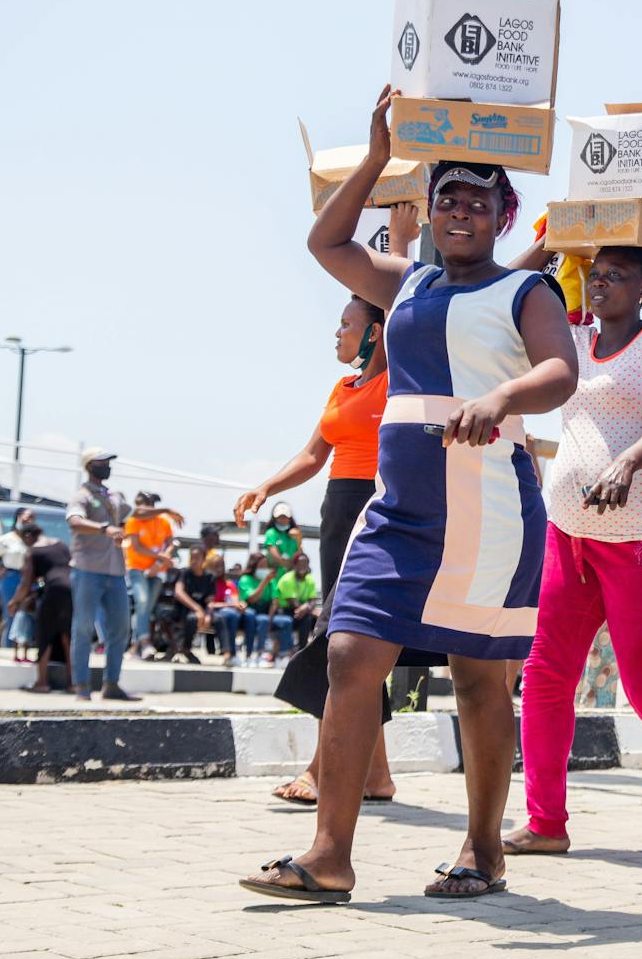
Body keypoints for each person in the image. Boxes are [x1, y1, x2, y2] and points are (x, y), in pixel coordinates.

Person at [242, 85, 575, 903]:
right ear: (428, 210)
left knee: (476, 680)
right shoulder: (411, 285)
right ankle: (329, 856)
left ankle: (485, 846)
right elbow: (327, 242)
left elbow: (560, 371)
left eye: (479, 200)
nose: (461, 210)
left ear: (503, 217)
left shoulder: (524, 293)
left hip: (489, 508)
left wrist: (501, 399)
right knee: (351, 657)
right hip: (398, 510)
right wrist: (381, 157)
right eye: (448, 197)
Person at [498, 242, 642, 857]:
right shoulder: (569, 341)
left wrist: (628, 461)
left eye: (616, 276)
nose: (600, 285)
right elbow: (503, 301)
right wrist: (553, 246)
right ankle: (546, 822)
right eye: (594, 275)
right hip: (568, 534)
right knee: (546, 675)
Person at [237, 252, 411, 805]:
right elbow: (314, 454)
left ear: (375, 333)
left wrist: (401, 244)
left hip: (373, 509)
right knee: (353, 641)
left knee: (336, 640)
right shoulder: (344, 388)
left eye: (346, 323)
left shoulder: (394, 378)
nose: (337, 332)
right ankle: (377, 774)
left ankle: (320, 769)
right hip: (336, 515)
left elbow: (398, 304)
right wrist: (268, 486)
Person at [66, 448, 137, 702]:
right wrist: (105, 529)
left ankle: (111, 684)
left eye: (108, 462)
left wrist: (165, 511)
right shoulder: (82, 496)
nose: (107, 466)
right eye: (102, 462)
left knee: (120, 628)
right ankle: (82, 686)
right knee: (83, 628)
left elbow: (135, 512)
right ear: (89, 465)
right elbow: (74, 521)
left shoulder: (112, 496)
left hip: (115, 571)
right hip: (88, 570)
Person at [11, 525, 73, 692]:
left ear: (29, 536)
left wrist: (14, 601)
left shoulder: (33, 552)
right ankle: (73, 683)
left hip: (52, 590)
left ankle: (42, 683)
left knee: (45, 635)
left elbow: (25, 583)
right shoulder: (61, 544)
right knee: (68, 636)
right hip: (73, 589)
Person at [123, 491, 177, 657]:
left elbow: (171, 544)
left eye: (142, 504)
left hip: (157, 571)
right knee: (143, 602)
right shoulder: (133, 521)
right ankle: (145, 643)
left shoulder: (163, 521)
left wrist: (160, 562)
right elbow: (137, 547)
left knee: (145, 608)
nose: (139, 507)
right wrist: (160, 557)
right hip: (137, 568)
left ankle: (135, 646)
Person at [0, 508, 37, 656]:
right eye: (27, 518)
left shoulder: (34, 540)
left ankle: (24, 653)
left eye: (32, 518)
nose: (29, 521)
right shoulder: (7, 539)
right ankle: (8, 653)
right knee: (11, 616)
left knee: (26, 617)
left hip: (29, 579)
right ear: (18, 518)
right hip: (11, 578)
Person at [273, 555, 318, 661]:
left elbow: (312, 600)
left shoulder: (310, 580)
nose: (303, 566)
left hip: (303, 611)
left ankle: (303, 651)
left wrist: (307, 608)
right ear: (294, 565)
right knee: (290, 620)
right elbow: (292, 601)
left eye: (305, 563)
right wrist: (308, 608)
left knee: (313, 620)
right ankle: (286, 652)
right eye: (300, 563)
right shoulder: (287, 579)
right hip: (285, 611)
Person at [262, 502, 303, 573]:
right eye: (280, 517)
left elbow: (300, 554)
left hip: (290, 575)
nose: (282, 519)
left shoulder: (294, 534)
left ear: (290, 519)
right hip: (274, 575)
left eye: (285, 517)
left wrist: (299, 539)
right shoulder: (271, 532)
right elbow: (273, 553)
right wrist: (290, 565)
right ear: (275, 518)